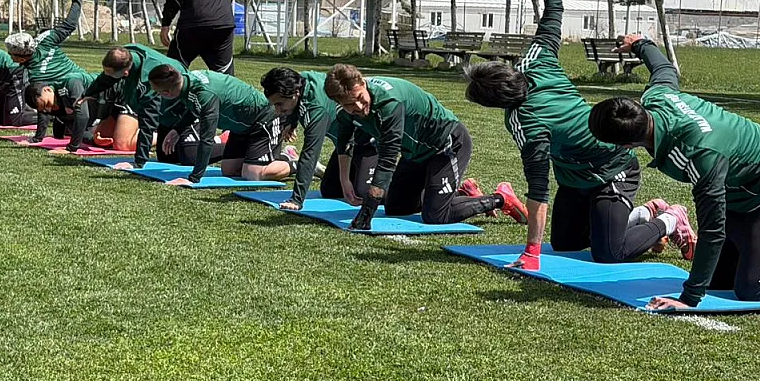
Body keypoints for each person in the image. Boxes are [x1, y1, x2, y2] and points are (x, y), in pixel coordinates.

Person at [462, 0, 694, 271]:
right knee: (569, 245)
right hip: (574, 180)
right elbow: (553, 4)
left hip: (613, 169)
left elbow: (538, 190)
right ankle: (645, 212)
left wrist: (531, 253)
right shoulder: (535, 57)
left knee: (608, 253)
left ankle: (670, 219)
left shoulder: (525, 123)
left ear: (497, 103)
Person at [588, 35, 760, 307]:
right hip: (739, 186)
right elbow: (662, 68)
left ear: (626, 145)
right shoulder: (656, 98)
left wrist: (688, 298)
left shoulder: (699, 154)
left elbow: (712, 229)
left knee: (756, 287)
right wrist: (639, 43)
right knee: (719, 281)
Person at [323, 64, 526, 230]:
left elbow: (387, 159)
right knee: (397, 207)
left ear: (363, 83)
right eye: (350, 104)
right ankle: (457, 193)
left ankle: (500, 199)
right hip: (416, 152)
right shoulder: (346, 111)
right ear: (339, 103)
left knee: (436, 215)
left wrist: (367, 212)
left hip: (447, 145)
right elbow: (344, 143)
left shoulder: (389, 103)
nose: (358, 107)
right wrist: (344, 181)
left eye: (360, 98)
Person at [5, 0, 136, 150]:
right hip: (68, 98)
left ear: (21, 57)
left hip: (80, 90)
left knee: (86, 129)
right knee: (70, 130)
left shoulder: (37, 74)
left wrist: (39, 138)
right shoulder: (45, 42)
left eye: (12, 55)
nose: (11, 58)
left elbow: (43, 107)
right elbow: (70, 24)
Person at [149, 65, 296, 186]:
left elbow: (207, 139)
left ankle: (297, 164)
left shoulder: (205, 93)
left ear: (167, 93)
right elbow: (194, 106)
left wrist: (193, 178)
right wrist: (177, 130)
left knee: (253, 174)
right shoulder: (186, 81)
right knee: (229, 170)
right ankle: (272, 157)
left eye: (158, 92)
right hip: (242, 126)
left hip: (265, 118)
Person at [84, 44, 188, 169]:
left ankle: (217, 141)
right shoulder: (125, 55)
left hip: (181, 110)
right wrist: (88, 93)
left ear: (126, 72)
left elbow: (148, 121)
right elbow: (107, 77)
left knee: (186, 157)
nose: (107, 76)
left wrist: (139, 161)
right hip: (160, 105)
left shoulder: (149, 81)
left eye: (111, 74)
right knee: (165, 157)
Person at [260, 66, 347, 210]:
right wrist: (291, 122)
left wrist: (296, 200)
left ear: (294, 93)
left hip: (366, 145)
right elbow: (298, 102)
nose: (277, 110)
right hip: (346, 147)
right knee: (330, 190)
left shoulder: (316, 108)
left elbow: (310, 154)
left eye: (279, 104)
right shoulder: (302, 81)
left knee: (366, 192)